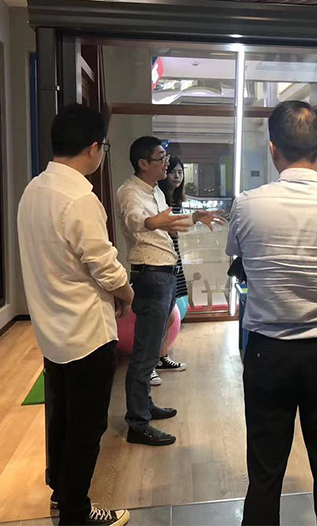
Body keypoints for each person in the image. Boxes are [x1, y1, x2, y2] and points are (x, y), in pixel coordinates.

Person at [227, 100, 317, 526]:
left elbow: (239, 258)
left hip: (267, 351)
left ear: (273, 150)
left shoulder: (247, 204)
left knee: (265, 471)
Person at [18, 103, 131, 526]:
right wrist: (127, 293)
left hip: (52, 330)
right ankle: (77, 514)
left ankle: (61, 494)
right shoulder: (80, 198)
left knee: (62, 418)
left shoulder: (34, 190)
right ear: (93, 148)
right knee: (86, 427)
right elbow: (105, 266)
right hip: (86, 333)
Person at [117, 136, 225, 447]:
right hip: (150, 276)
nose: (166, 163)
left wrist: (195, 217)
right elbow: (136, 221)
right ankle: (137, 423)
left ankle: (145, 406)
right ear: (143, 163)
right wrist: (156, 221)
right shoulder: (129, 191)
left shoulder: (155, 191)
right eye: (160, 158)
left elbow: (170, 222)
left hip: (164, 273)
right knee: (144, 353)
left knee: (153, 349)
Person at [149, 156, 190, 387]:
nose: (176, 175)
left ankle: (162, 357)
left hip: (173, 257)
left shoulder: (174, 199)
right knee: (160, 315)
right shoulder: (159, 197)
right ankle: (151, 363)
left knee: (169, 312)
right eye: (172, 171)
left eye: (180, 172)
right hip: (160, 259)